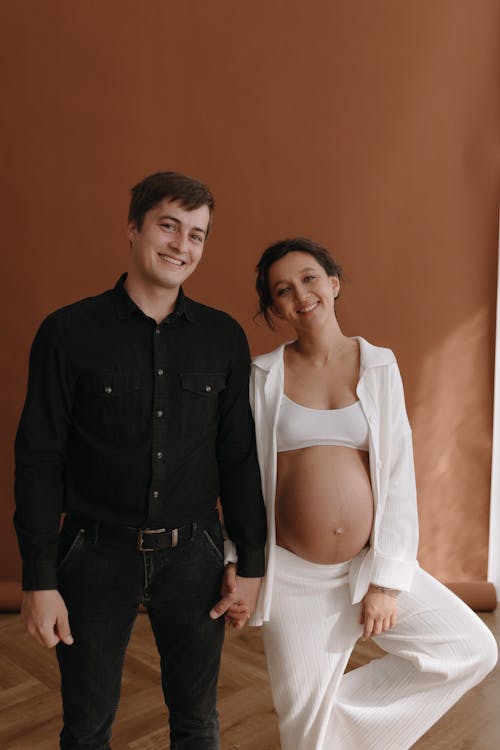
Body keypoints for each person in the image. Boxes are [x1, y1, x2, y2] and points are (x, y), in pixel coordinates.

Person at [14, 171, 267, 750]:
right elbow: (38, 459)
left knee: (198, 721)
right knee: (86, 725)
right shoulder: (66, 332)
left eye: (197, 235)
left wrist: (249, 562)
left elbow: (238, 457)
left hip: (196, 556)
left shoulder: (223, 337)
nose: (182, 245)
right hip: (93, 554)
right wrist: (38, 577)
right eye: (169, 226)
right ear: (133, 228)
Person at [226, 236, 498, 750]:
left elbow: (397, 474)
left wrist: (386, 584)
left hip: (365, 568)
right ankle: (325, 731)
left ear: (332, 283)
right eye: (282, 290)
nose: (300, 295)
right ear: (274, 308)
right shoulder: (261, 376)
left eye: (309, 279)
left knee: (470, 648)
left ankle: (339, 734)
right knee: (306, 735)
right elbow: (239, 480)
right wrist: (239, 562)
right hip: (294, 578)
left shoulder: (378, 366)